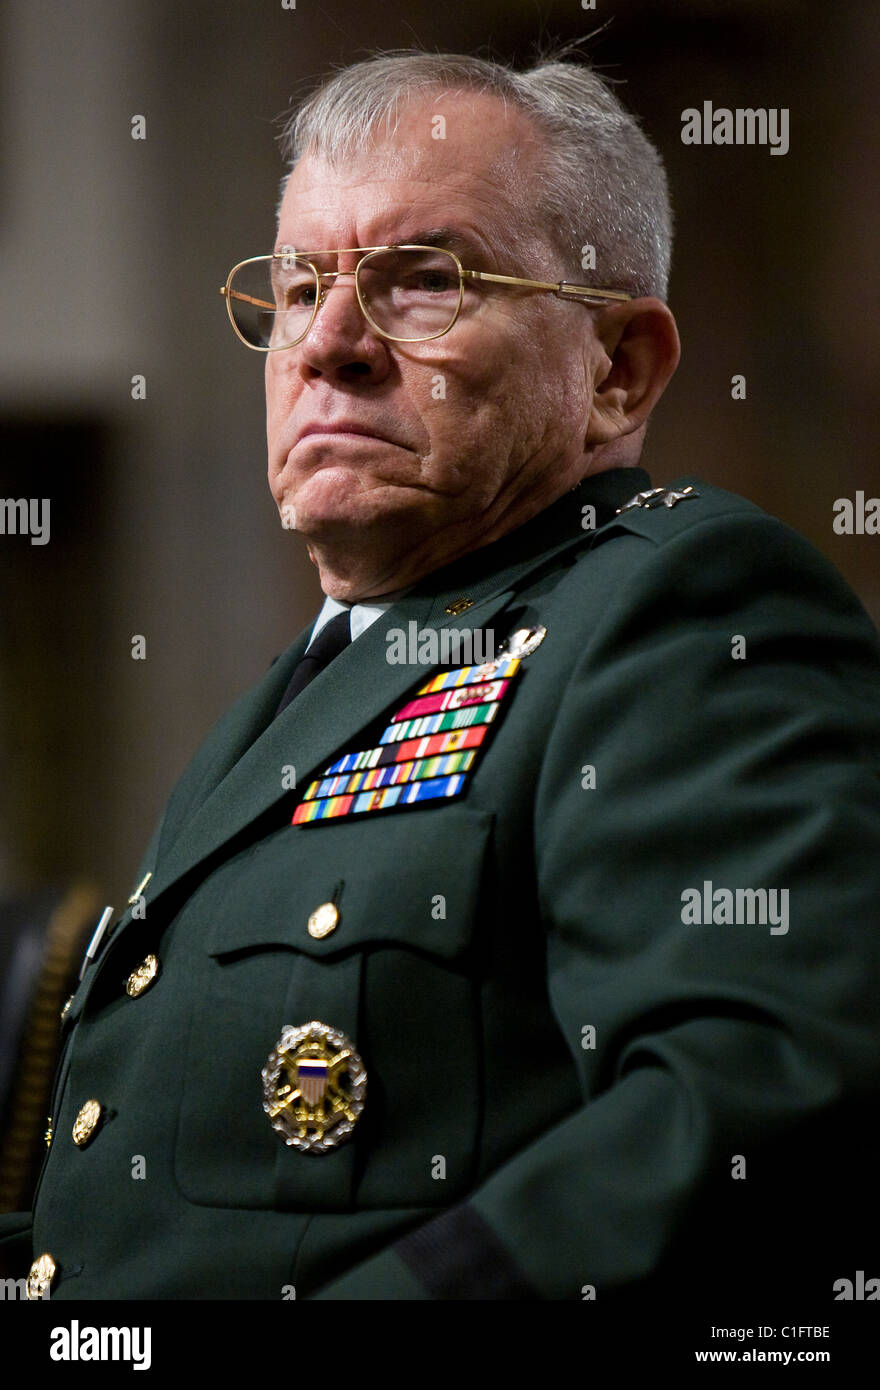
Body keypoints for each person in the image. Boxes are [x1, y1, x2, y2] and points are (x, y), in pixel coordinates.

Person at [2, 50, 879, 1308]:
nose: (330, 344)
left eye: (425, 281)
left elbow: (754, 1113)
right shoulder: (295, 699)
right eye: (299, 287)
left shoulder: (677, 608)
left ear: (617, 369)